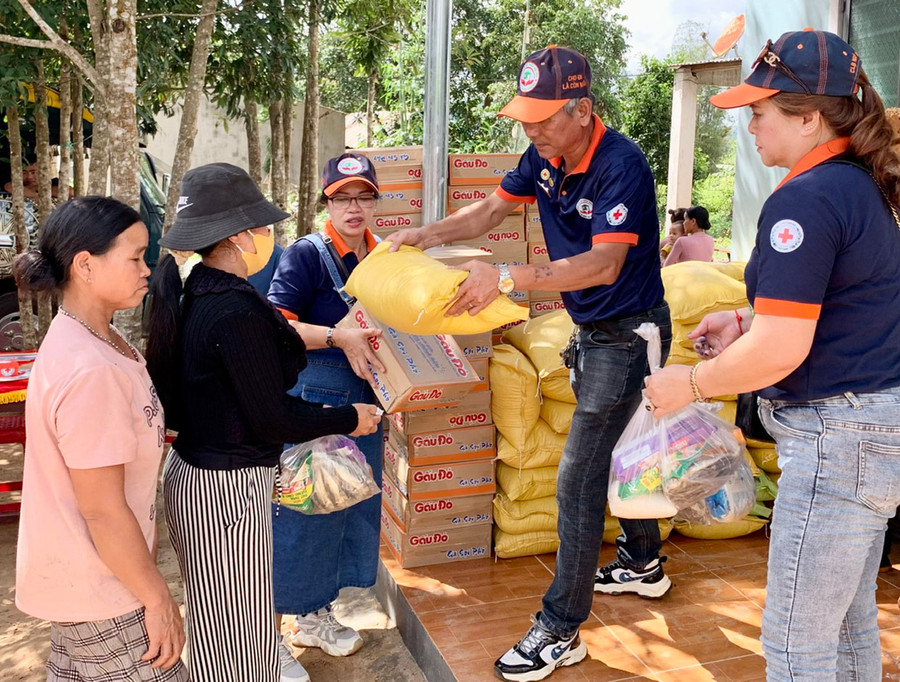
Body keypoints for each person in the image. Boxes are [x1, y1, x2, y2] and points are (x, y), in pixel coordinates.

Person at [387, 45, 671, 681]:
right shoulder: (543, 157)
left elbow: (604, 264)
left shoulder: (622, 164)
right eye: (524, 119)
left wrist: (509, 277)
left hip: (628, 335)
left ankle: (561, 627)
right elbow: (491, 211)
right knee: (623, 451)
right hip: (593, 332)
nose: (531, 131)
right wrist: (424, 234)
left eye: (542, 119)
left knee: (578, 478)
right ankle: (643, 563)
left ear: (582, 110)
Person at [645, 30, 900, 681]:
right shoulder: (859, 185)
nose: (750, 125)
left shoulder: (807, 198)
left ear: (809, 117)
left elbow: (782, 349)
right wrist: (745, 320)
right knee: (847, 629)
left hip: (835, 439)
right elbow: (842, 304)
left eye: (760, 111)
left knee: (795, 643)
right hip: (870, 432)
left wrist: (691, 384)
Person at [145, 162, 381, 682]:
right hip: (224, 489)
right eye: (261, 226)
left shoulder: (203, 289)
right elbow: (273, 417)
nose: (267, 236)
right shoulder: (233, 309)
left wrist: (339, 339)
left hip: (203, 474)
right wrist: (348, 417)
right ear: (238, 236)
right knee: (238, 642)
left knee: (224, 629)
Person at [14, 196, 188, 681]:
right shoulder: (91, 369)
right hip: (105, 590)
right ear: (86, 266)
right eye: (134, 257)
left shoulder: (96, 338)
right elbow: (103, 510)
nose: (146, 269)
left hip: (95, 579)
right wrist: (157, 599)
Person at [266, 151, 386, 658]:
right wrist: (338, 337)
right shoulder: (307, 255)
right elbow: (275, 327)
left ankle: (317, 612)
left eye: (363, 198)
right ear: (327, 205)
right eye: (342, 199)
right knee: (305, 515)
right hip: (316, 406)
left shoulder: (383, 257)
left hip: (364, 404)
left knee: (347, 509)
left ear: (375, 203)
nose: (354, 209)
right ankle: (284, 625)